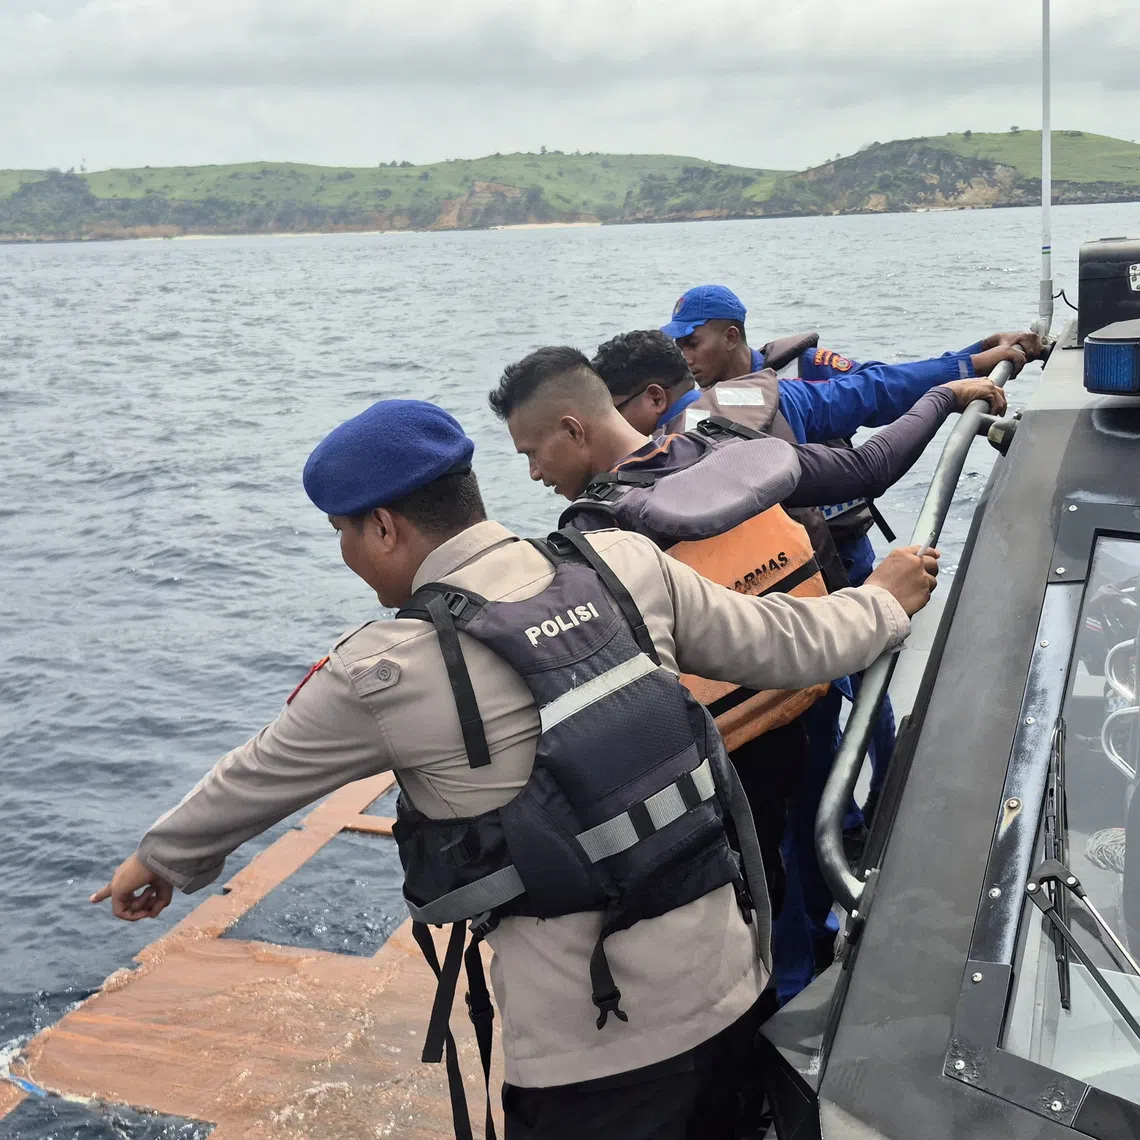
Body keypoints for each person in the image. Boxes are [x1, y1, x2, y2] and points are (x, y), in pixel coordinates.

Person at [92, 398, 938, 1140]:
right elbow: (791, 641)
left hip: (594, 1058)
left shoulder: (381, 669)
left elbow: (256, 776)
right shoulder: (622, 562)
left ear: (384, 526)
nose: (348, 554)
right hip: (736, 988)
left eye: (344, 534)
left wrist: (163, 861)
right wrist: (883, 599)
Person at [488, 346, 980, 1001]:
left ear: (574, 430)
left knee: (765, 909)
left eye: (532, 451)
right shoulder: (724, 446)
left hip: (732, 764)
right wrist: (946, 397)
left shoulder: (596, 532)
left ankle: (780, 1034)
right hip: (814, 705)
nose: (532, 472)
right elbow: (869, 465)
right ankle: (828, 974)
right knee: (814, 862)